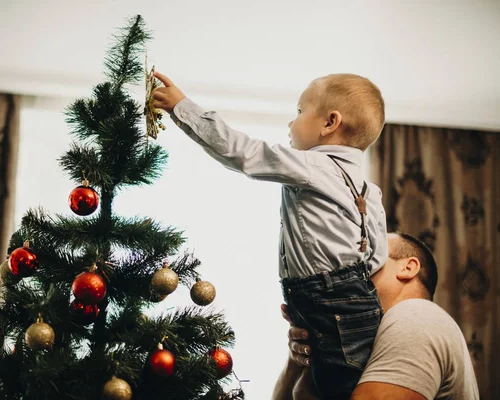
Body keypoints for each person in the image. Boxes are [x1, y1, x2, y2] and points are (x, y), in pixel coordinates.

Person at [151, 71, 387, 399]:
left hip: (327, 298)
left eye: (300, 112)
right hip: (353, 298)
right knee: (325, 384)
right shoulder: (368, 189)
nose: (291, 123)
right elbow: (377, 256)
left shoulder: (310, 166)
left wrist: (183, 108)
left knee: (338, 388)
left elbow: (245, 154)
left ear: (330, 122)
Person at [272, 233, 480, 400]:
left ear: (408, 268)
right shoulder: (372, 340)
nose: (353, 271)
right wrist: (297, 362)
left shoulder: (416, 315)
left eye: (368, 260)